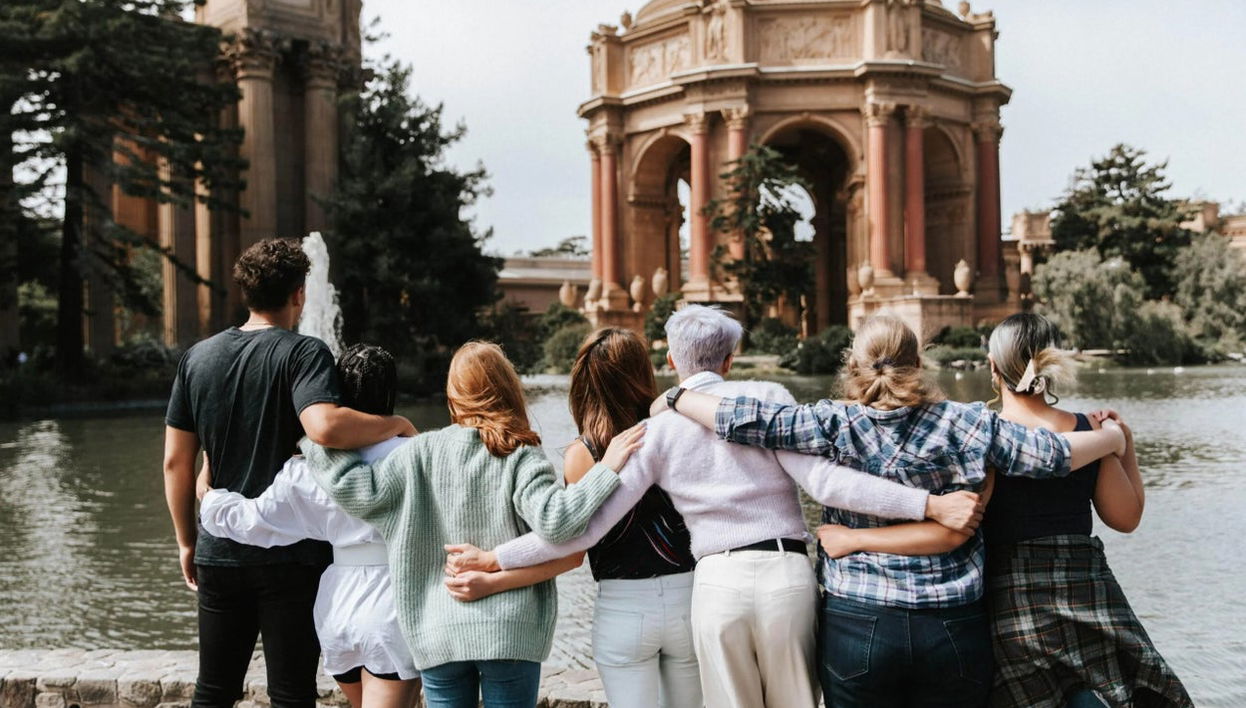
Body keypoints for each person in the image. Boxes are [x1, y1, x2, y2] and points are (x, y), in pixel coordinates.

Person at [446, 306, 985, 708]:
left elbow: (585, 530)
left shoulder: (656, 430)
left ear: (672, 361)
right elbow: (826, 484)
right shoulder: (769, 399)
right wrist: (929, 505)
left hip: (717, 586)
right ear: (730, 359)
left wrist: (495, 558)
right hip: (785, 575)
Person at [662, 314, 1129, 707]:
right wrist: (1109, 438)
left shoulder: (831, 422)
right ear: (919, 364)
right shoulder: (967, 422)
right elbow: (1051, 455)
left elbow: (744, 420)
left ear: (853, 364)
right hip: (951, 625)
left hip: (858, 622)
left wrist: (676, 395)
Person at [298, 341, 642, 708]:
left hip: (437, 630)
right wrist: (606, 469)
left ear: (453, 396)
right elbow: (558, 522)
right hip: (510, 632)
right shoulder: (520, 453)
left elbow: (354, 488)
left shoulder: (418, 453)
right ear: (507, 388)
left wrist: (316, 438)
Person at [163, 239, 415, 708]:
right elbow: (324, 427)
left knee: (213, 690)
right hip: (292, 559)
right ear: (300, 293)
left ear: (246, 292)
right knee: (291, 694)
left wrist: (186, 541)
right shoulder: (304, 353)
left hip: (220, 551)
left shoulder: (197, 358)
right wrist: (396, 424)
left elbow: (176, 462)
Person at [977, 314, 1190, 707]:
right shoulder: (1087, 433)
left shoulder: (983, 437)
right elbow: (1126, 518)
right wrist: (1123, 445)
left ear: (993, 366)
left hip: (1013, 608)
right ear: (1053, 362)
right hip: (1090, 598)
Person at [196, 344, 421, 708]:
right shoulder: (416, 456)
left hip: (336, 607)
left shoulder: (305, 468)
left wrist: (208, 497)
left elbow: (253, 521)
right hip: (392, 602)